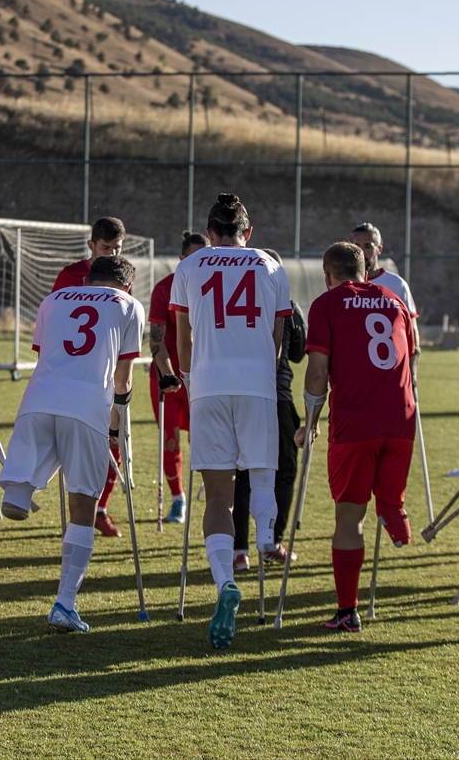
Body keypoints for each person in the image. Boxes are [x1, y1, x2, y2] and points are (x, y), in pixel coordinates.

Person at [0, 255, 144, 633]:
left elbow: (46, 353)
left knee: (19, 488)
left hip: (38, 399)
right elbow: (122, 378)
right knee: (82, 503)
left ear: (89, 277)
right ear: (125, 285)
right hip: (87, 404)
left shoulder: (54, 299)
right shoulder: (129, 305)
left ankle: (19, 488)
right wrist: (118, 422)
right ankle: (64, 603)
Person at [171, 193, 291, 650]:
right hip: (258, 382)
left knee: (218, 495)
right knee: (262, 479)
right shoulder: (270, 265)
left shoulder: (191, 265)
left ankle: (226, 583)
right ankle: (265, 544)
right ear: (249, 231)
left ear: (210, 230)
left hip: (208, 384)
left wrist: (189, 377)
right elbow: (278, 339)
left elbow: (183, 336)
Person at [296, 242, 415, 631]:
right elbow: (411, 360)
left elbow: (317, 373)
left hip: (354, 423)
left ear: (328, 275)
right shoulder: (394, 301)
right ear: (366, 270)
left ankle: (348, 611)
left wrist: (311, 420)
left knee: (350, 516)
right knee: (383, 493)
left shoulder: (327, 304)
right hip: (401, 418)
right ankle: (394, 507)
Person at [52, 216, 127, 537]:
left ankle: (101, 508)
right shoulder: (69, 277)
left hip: (109, 377)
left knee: (116, 441)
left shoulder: (123, 276)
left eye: (117, 249)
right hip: (74, 380)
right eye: (105, 248)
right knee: (74, 448)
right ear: (91, 246)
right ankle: (78, 511)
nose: (111, 254)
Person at [233, 248, 306, 570]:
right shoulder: (286, 305)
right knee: (284, 471)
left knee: (244, 474)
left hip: (240, 394)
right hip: (276, 396)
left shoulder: (237, 301)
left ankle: (239, 550)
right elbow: (299, 353)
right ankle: (272, 541)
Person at [148, 230, 208, 526]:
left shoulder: (215, 287)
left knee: (206, 438)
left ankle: (214, 490)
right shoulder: (165, 288)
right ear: (181, 259)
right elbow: (156, 340)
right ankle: (177, 499)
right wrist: (169, 372)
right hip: (170, 377)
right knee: (170, 440)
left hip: (204, 376)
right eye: (190, 258)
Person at [350, 222, 420, 353]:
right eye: (356, 246)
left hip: (388, 366)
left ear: (379, 249)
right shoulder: (343, 284)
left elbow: (411, 330)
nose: (361, 252)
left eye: (368, 247)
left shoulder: (396, 285)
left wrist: (413, 372)